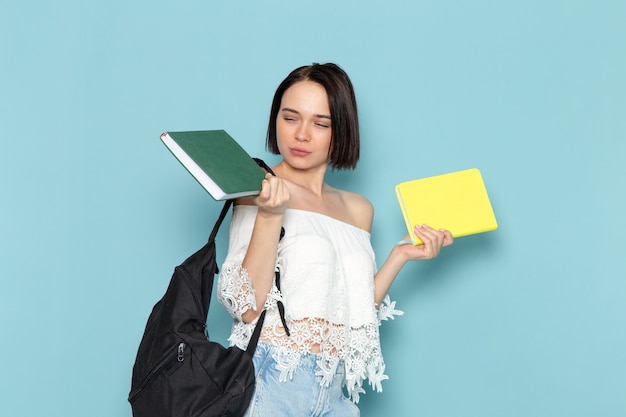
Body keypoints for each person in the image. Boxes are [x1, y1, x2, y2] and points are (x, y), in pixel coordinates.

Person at [217, 62, 453, 416]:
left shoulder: (358, 209)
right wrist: (270, 214)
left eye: (321, 123)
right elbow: (247, 306)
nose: (301, 134)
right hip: (270, 380)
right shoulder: (259, 189)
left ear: (341, 130)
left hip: (333, 387)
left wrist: (399, 257)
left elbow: (349, 310)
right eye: (290, 117)